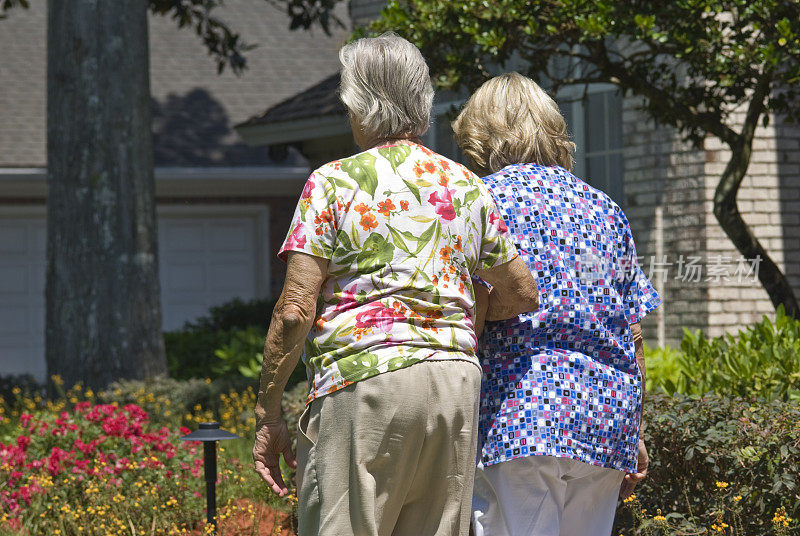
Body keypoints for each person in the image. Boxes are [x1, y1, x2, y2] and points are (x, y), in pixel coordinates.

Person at [252, 36, 539, 536]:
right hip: (454, 385)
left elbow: (295, 309)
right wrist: (455, 314)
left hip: (366, 384)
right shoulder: (466, 186)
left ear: (359, 104)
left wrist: (267, 412)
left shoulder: (333, 182)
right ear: (421, 102)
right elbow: (521, 293)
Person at [452, 72, 662, 536]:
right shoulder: (604, 209)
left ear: (480, 135)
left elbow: (468, 314)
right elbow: (631, 331)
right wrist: (636, 432)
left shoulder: (480, 202)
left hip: (521, 417)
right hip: (605, 422)